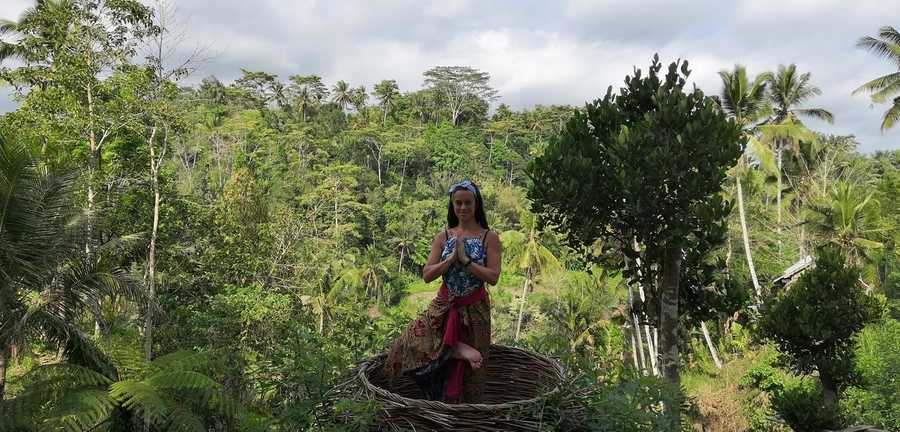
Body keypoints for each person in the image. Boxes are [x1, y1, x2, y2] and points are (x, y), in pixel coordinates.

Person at [383, 180, 502, 403]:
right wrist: (449, 261)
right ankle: (454, 348)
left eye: (468, 203)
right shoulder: (444, 236)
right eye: (458, 203)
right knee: (405, 344)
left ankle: (464, 419)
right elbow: (427, 274)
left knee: (473, 374)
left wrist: (466, 261)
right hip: (443, 305)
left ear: (476, 204)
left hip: (475, 310)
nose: (463, 208)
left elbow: (493, 277)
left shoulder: (489, 237)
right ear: (452, 205)